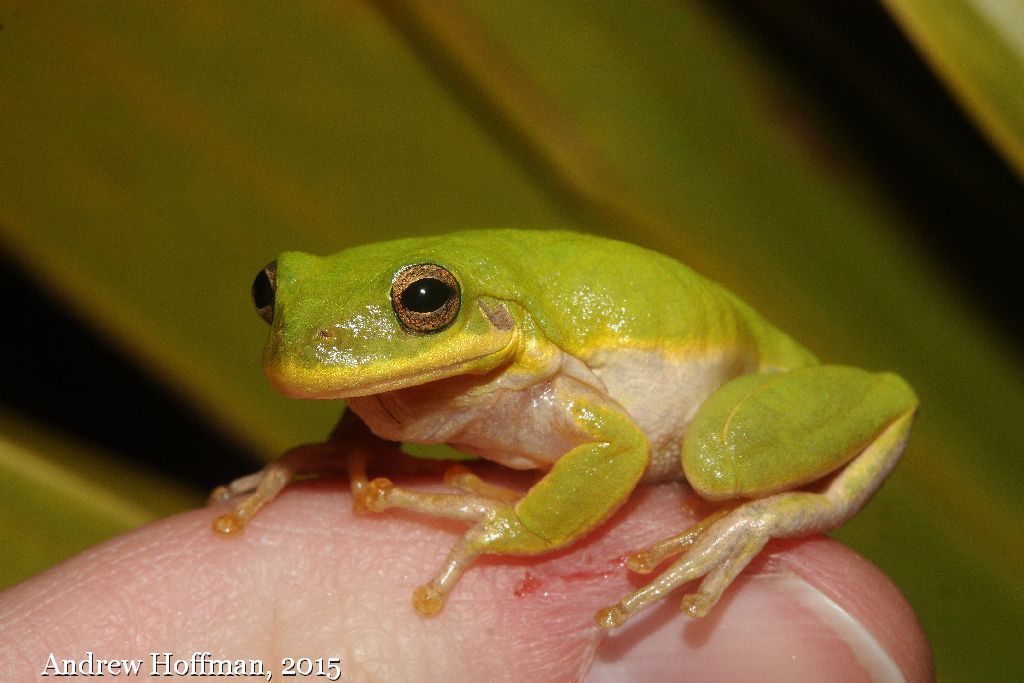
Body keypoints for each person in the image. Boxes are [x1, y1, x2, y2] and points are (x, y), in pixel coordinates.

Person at [0, 465, 932, 682]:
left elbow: (609, 442)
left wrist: (509, 528)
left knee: (720, 470)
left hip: (727, 397)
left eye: (419, 307)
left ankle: (775, 510)